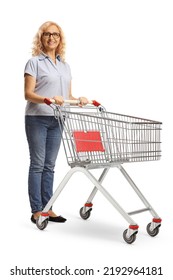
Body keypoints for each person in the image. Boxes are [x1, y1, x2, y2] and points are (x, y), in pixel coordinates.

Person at [24, 21, 88, 224]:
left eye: (56, 35)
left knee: (50, 166)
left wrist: (78, 99)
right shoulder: (34, 62)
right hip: (38, 118)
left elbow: (66, 95)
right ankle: (36, 210)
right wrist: (47, 99)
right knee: (37, 164)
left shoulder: (65, 66)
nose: (51, 38)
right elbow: (28, 94)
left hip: (59, 119)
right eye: (47, 34)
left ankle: (48, 207)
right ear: (41, 38)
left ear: (60, 39)